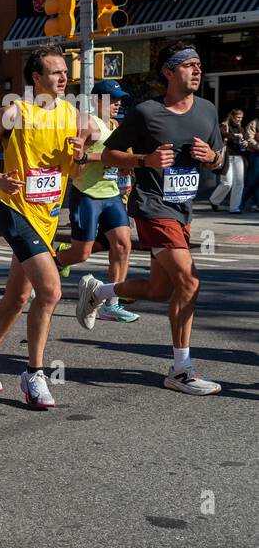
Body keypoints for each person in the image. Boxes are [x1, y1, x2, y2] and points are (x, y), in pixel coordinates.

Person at [77, 41, 226, 395]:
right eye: (189, 64)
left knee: (161, 290)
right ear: (169, 71)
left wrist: (212, 158)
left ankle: (100, 290)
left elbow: (219, 157)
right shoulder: (146, 112)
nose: (197, 70)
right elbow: (109, 153)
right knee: (189, 282)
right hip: (152, 207)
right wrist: (145, 161)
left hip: (182, 210)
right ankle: (181, 369)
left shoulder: (206, 109)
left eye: (199, 64)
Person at [0, 46, 88, 408]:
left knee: (18, 297)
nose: (63, 77)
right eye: (54, 72)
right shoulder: (15, 112)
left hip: (47, 215)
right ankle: (34, 374)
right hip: (14, 210)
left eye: (64, 71)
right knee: (49, 292)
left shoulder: (74, 115)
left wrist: (80, 156)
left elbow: (75, 171)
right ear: (36, 79)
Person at [53, 80, 140, 323]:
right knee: (81, 253)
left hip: (111, 194)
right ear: (97, 100)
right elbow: (77, 157)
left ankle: (111, 303)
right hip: (87, 194)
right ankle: (50, 263)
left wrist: (124, 166)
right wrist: (89, 155)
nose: (117, 103)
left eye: (119, 99)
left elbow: (119, 157)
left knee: (123, 245)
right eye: (112, 99)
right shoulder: (88, 122)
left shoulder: (115, 124)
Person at [209, 108, 247, 213]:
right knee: (227, 183)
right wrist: (234, 135)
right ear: (232, 117)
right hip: (227, 157)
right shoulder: (224, 126)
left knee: (239, 183)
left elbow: (244, 139)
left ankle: (234, 208)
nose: (239, 119)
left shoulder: (240, 128)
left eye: (241, 118)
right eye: (238, 117)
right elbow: (222, 134)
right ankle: (214, 200)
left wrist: (245, 143)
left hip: (239, 157)